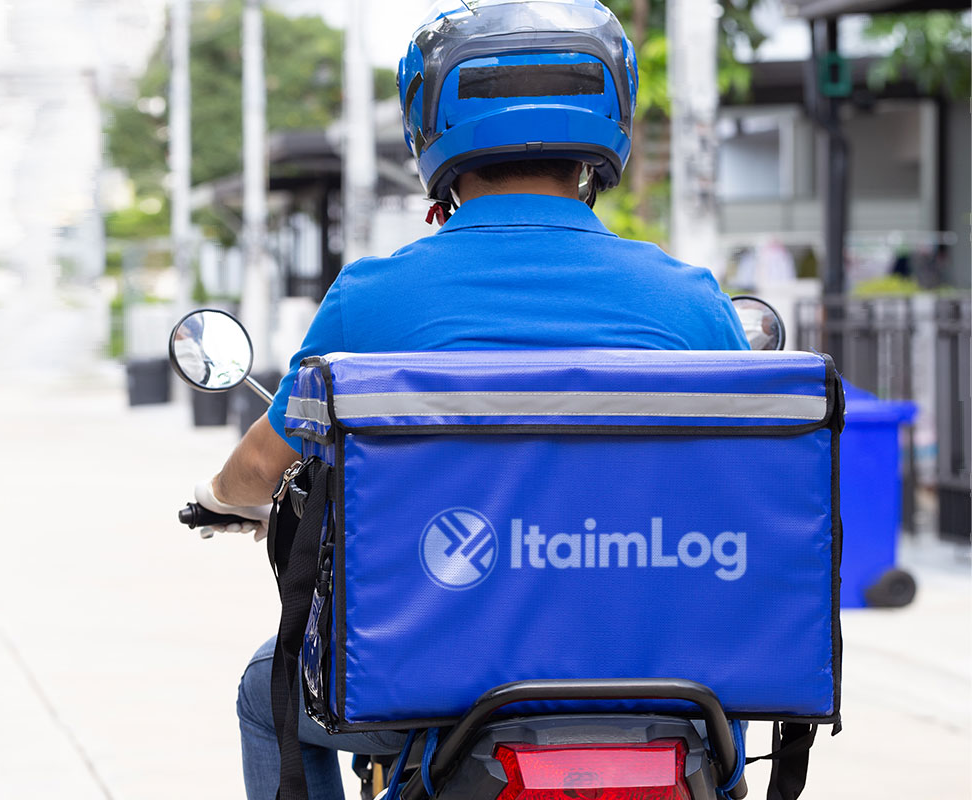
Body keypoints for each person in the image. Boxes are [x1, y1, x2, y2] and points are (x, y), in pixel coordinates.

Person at [188, 2, 751, 797]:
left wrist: (217, 500)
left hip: (435, 681)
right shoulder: (690, 301)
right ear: (611, 120)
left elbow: (257, 466)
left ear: (433, 126)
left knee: (263, 692)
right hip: (671, 685)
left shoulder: (376, 299)